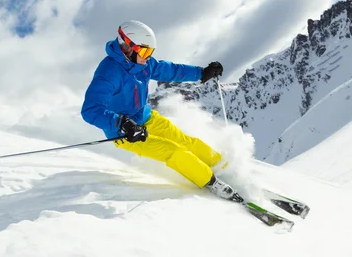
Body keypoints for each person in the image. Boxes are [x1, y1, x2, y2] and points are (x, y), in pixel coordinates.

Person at [81, 20, 240, 201]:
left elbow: (170, 70)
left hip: (146, 117)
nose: (148, 57)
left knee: (186, 141)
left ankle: (224, 168)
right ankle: (213, 183)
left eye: (151, 52)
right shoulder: (108, 72)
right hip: (125, 132)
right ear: (127, 47)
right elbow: (90, 110)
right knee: (174, 151)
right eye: (145, 51)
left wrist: (201, 73)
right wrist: (122, 123)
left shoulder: (144, 63)